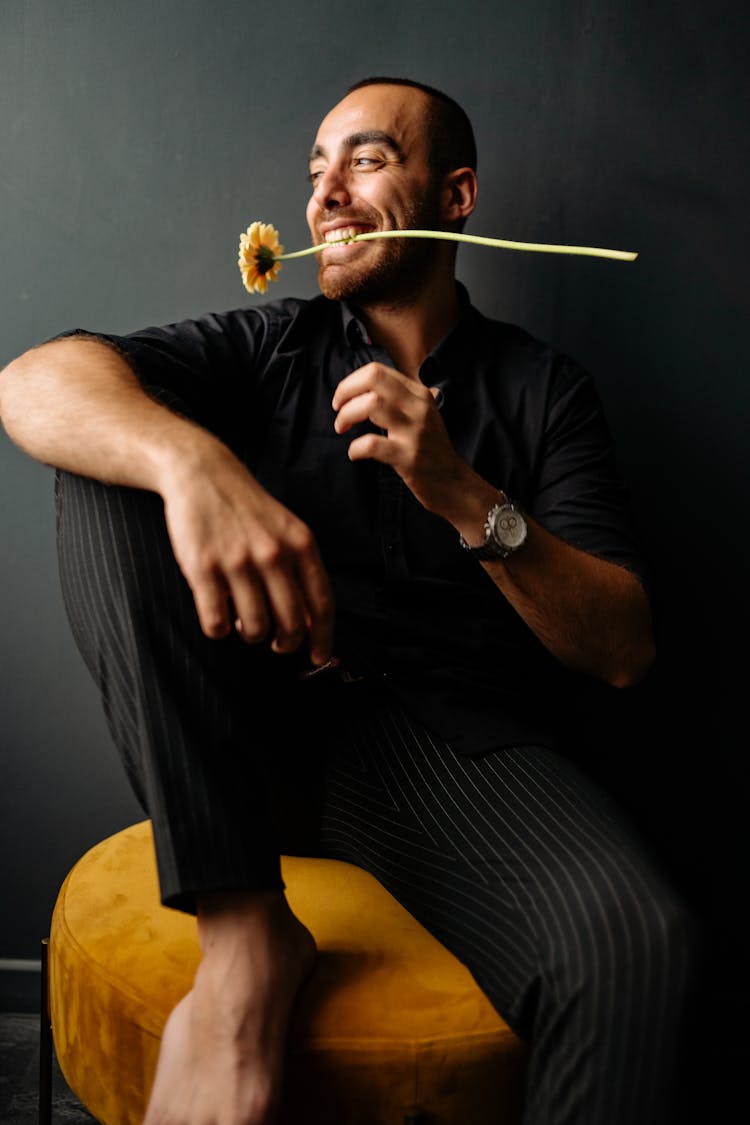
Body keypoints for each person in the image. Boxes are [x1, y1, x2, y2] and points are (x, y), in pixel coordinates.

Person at [0, 77, 701, 1125]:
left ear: (455, 194)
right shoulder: (267, 346)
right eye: (316, 171)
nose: (325, 193)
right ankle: (246, 950)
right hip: (247, 729)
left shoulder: (546, 392)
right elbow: (34, 379)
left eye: (365, 161)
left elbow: (623, 648)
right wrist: (194, 465)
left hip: (444, 752)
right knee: (109, 463)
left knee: (635, 948)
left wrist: (464, 493)